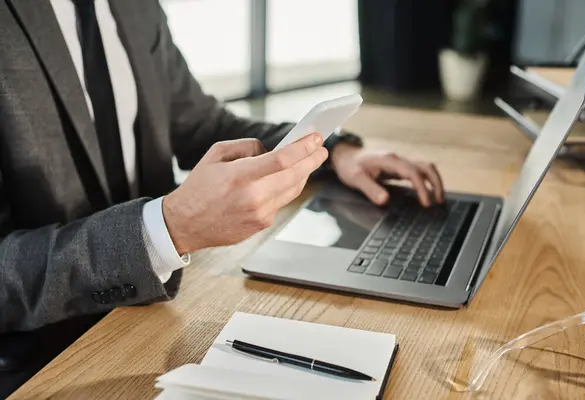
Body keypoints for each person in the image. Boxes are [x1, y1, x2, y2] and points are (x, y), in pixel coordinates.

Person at [0, 0, 444, 395]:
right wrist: (168, 228)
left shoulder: (135, 7)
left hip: (153, 318)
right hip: (44, 361)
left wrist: (337, 151)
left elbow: (202, 126)